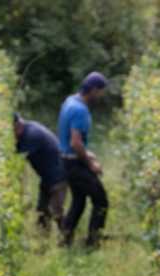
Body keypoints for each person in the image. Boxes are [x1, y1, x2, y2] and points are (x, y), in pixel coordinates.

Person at [58, 72, 109, 248]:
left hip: (65, 160)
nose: (101, 96)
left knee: (79, 201)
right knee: (101, 200)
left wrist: (88, 154)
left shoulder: (70, 101)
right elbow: (75, 142)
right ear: (93, 90)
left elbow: (71, 142)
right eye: (101, 92)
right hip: (75, 163)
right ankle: (93, 242)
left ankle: (65, 239)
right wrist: (90, 163)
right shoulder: (80, 110)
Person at [14, 113, 67, 232]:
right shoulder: (28, 129)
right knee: (42, 212)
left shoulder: (31, 136)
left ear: (17, 126)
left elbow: (16, 159)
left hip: (58, 175)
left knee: (56, 211)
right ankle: (42, 244)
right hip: (47, 177)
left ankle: (67, 239)